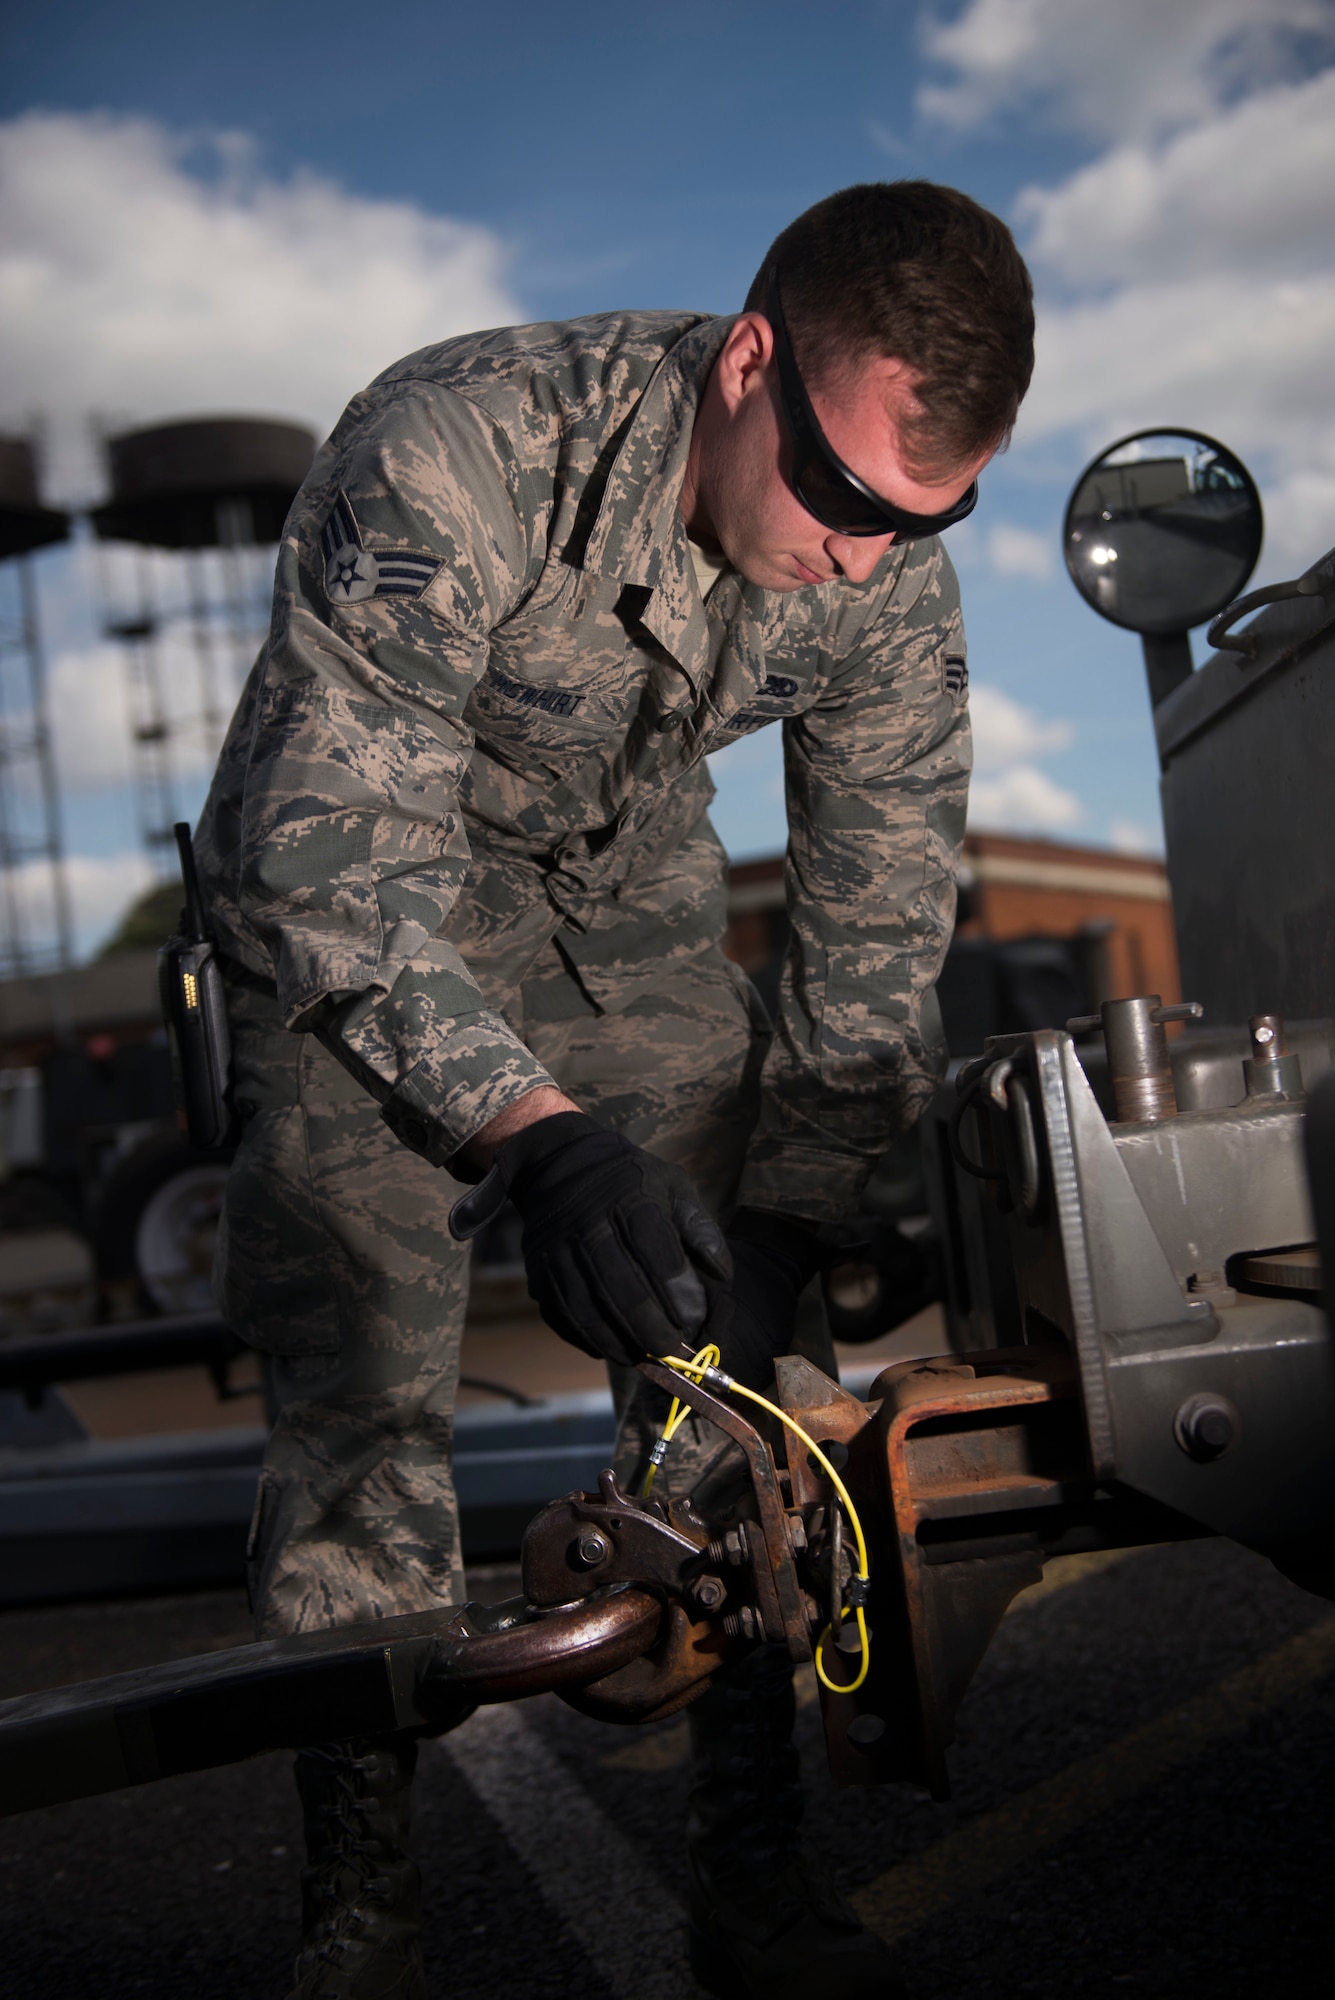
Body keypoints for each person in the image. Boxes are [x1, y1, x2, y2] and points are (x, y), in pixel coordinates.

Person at [196, 179, 1034, 2000]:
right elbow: (331, 862)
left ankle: (755, 1888)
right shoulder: (459, 451)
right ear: (751, 368)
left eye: (929, 516)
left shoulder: (882, 568)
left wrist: (794, 1210)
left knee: (750, 1399)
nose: (869, 557)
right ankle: (366, 1929)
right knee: (363, 1414)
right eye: (845, 501)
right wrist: (539, 1143)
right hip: (359, 907)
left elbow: (877, 916)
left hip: (624, 916)